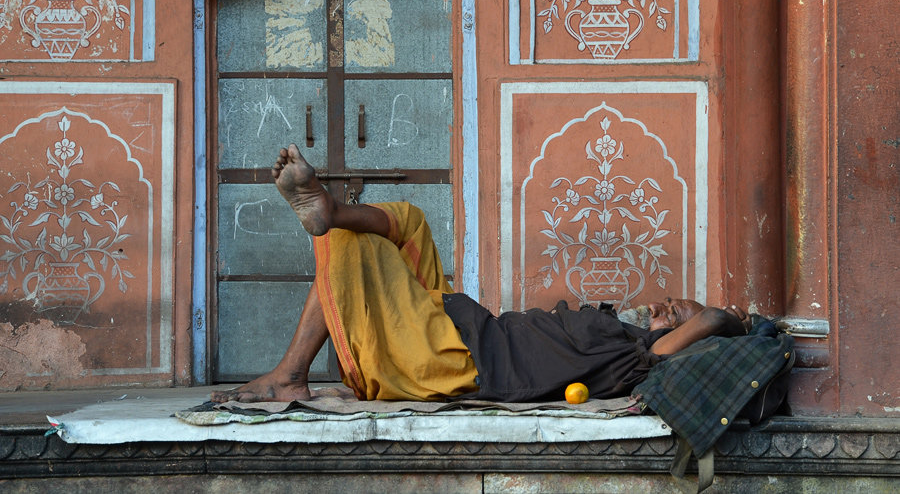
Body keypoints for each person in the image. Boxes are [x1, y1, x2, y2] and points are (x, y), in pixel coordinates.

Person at [211, 144, 752, 404]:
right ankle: (328, 209)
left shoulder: (636, 356)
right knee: (412, 222)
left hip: (447, 362)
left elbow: (694, 330)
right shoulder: (622, 332)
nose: (659, 307)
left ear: (676, 336)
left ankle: (289, 374)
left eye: (671, 314)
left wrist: (726, 319)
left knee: (354, 247)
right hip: (458, 325)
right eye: (668, 302)